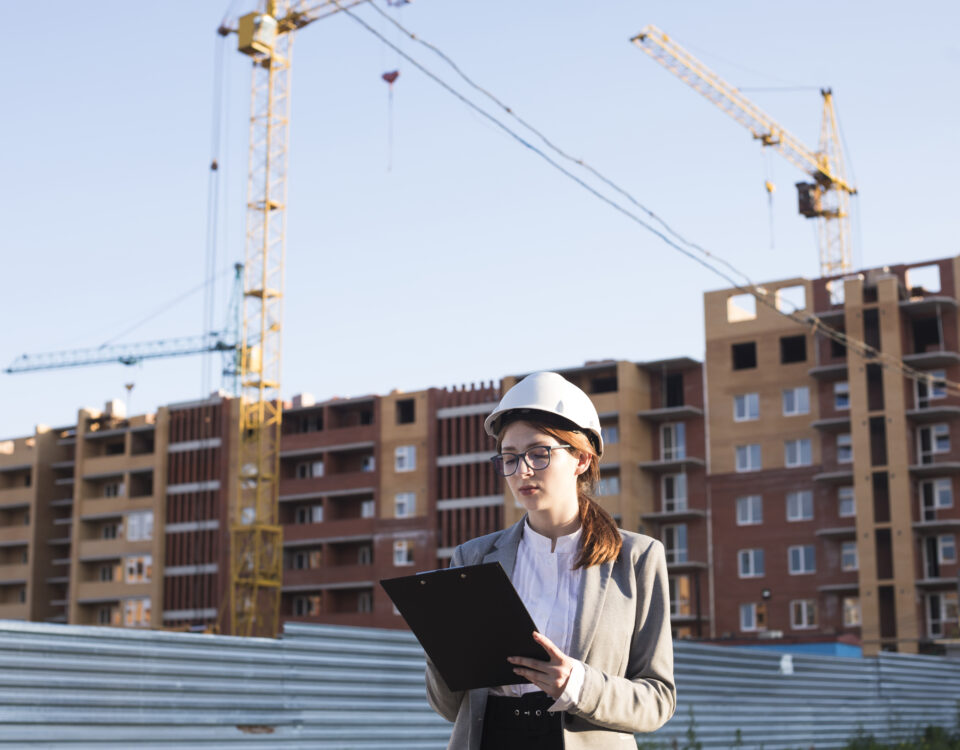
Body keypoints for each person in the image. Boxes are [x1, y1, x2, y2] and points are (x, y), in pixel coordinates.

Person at [426, 371, 676, 749]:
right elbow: (448, 708)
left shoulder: (638, 559)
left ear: (581, 458)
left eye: (538, 454)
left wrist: (577, 683)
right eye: (509, 458)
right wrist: (445, 648)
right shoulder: (472, 557)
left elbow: (657, 700)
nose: (521, 471)